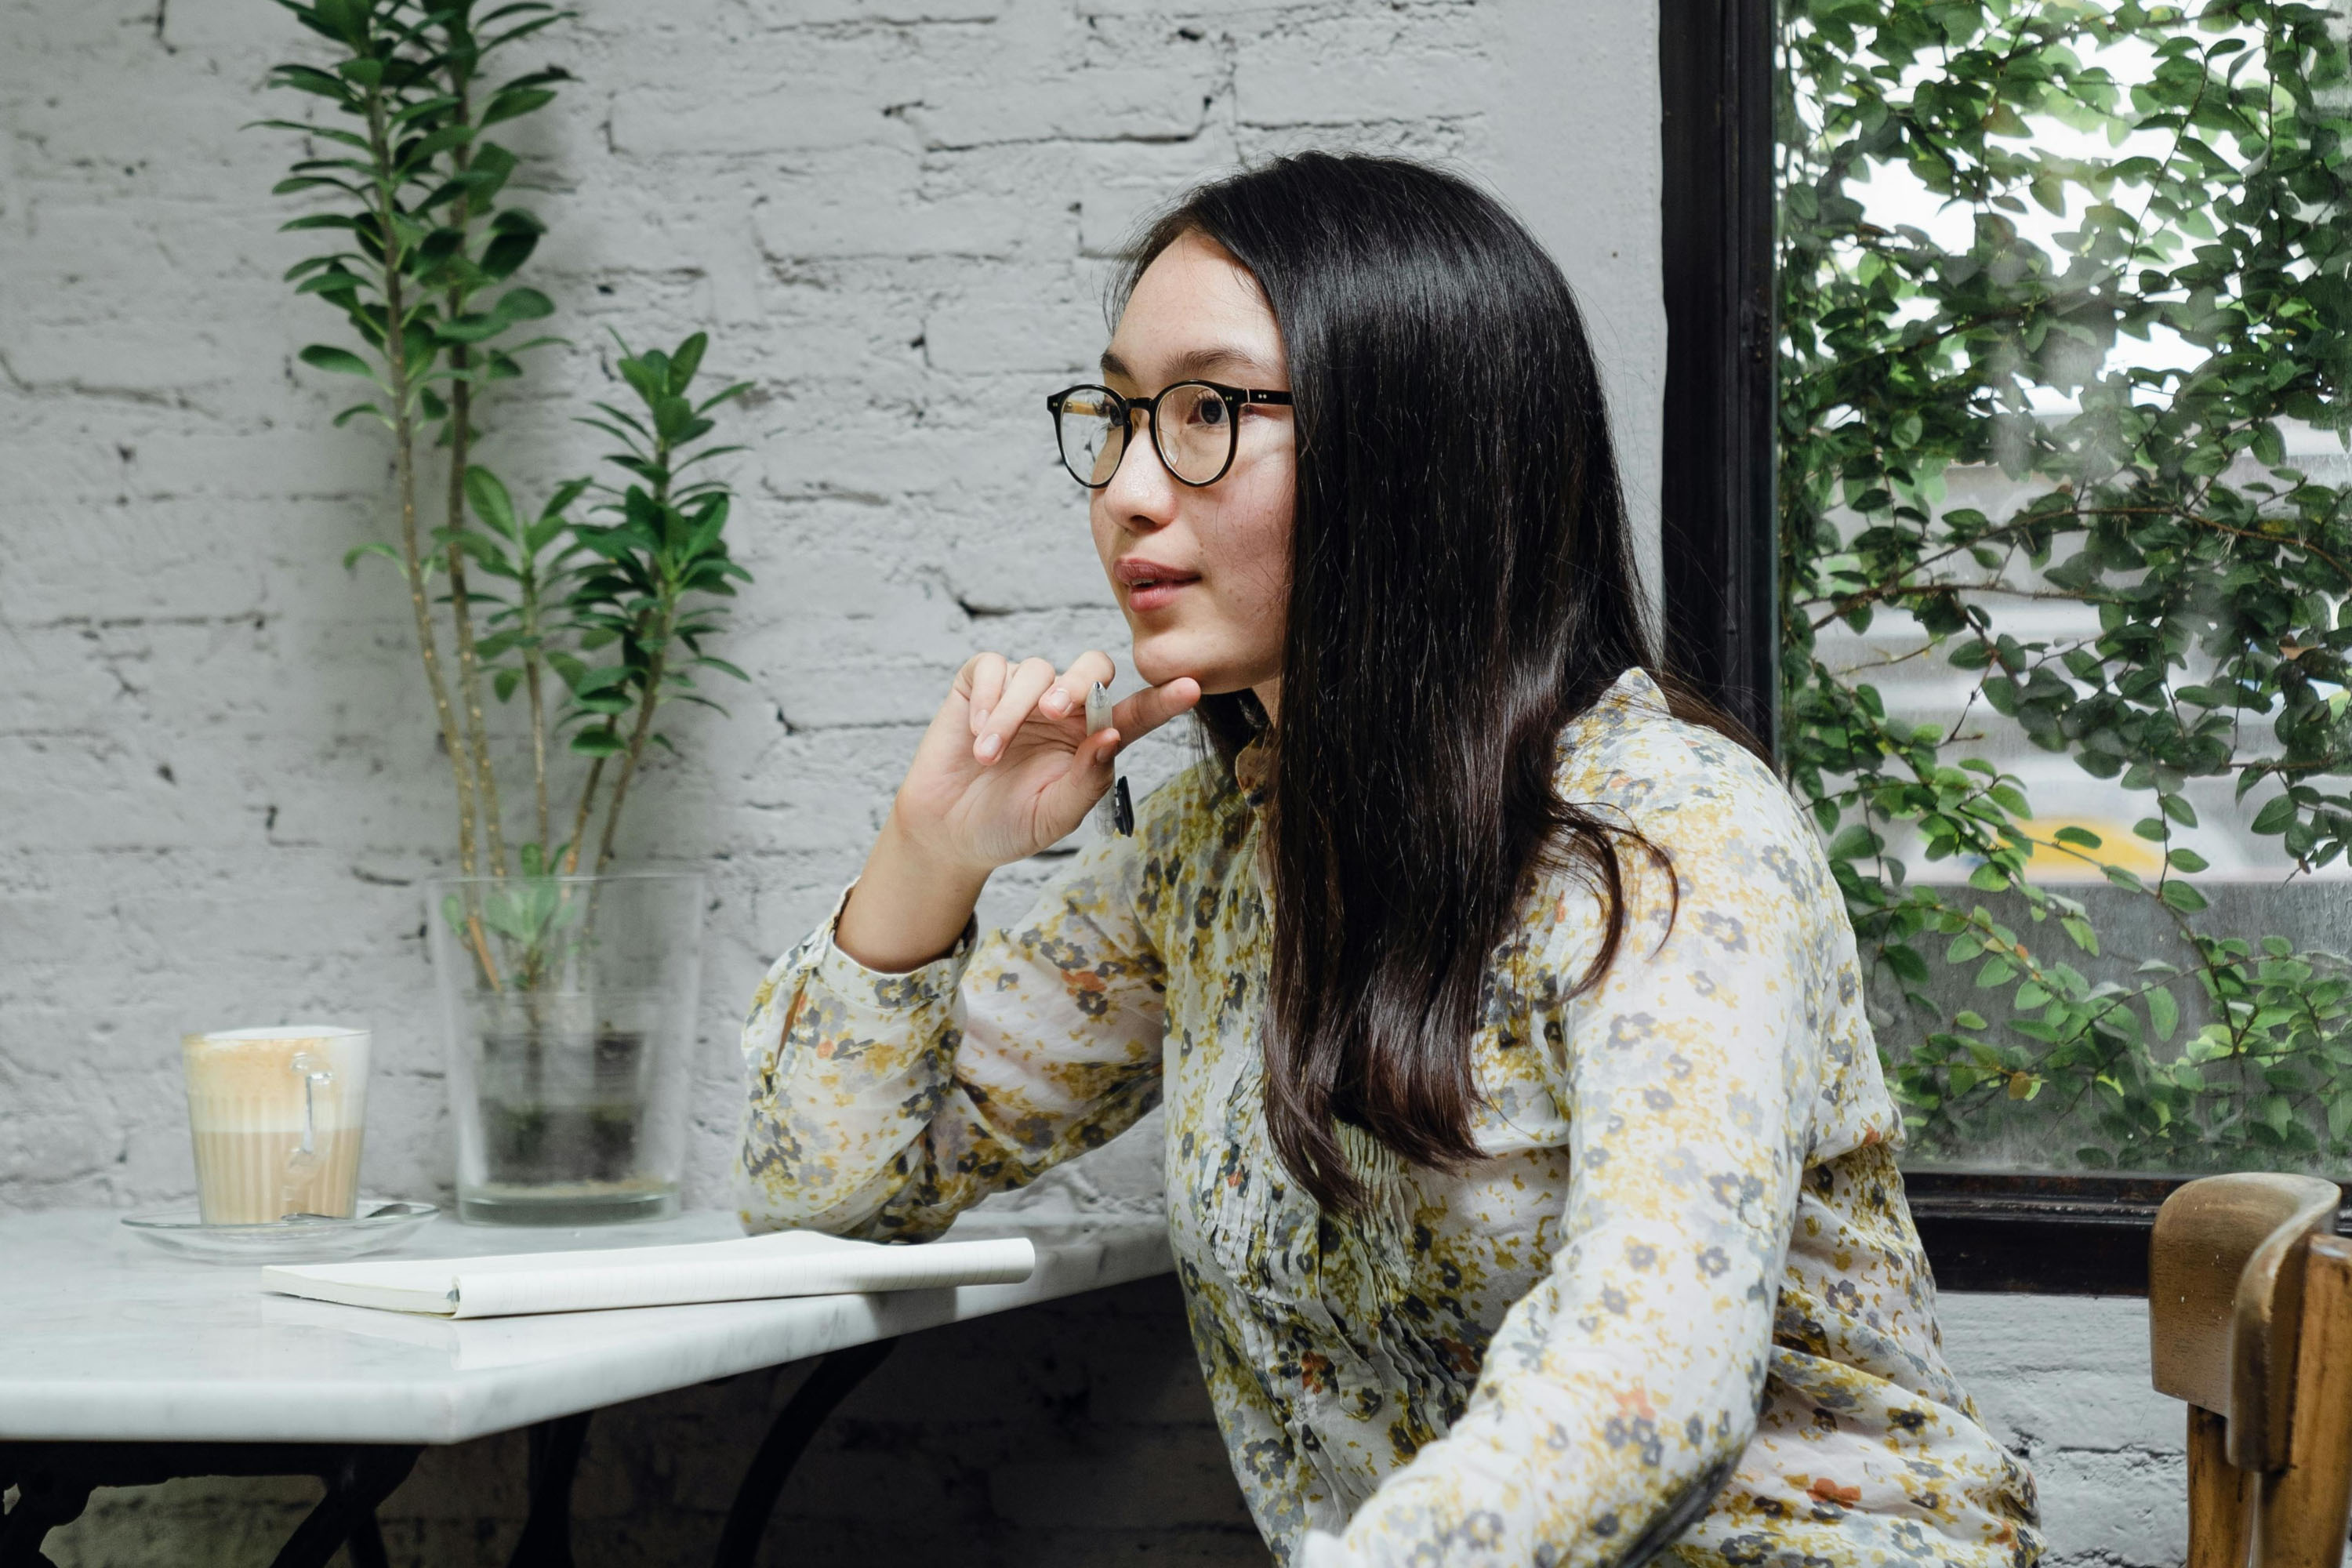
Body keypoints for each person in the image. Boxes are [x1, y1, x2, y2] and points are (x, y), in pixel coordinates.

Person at [736, 151, 2042, 1568]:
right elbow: (831, 1189)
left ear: (1417, 452)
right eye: (1116, 416)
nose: (1125, 488)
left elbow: (1645, 1395)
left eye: (1207, 413)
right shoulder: (1216, 855)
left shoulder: (1671, 840)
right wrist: (930, 854)